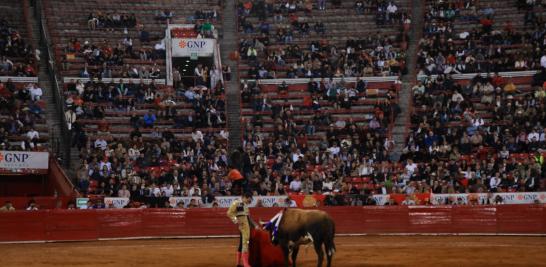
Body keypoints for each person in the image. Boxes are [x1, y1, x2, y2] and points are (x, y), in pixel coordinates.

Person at [227, 193, 253, 267]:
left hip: (246, 227)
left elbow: (248, 218)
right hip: (243, 228)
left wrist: (254, 226)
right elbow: (229, 213)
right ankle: (245, 264)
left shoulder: (245, 206)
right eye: (249, 199)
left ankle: (238, 263)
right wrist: (235, 220)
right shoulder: (237, 203)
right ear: (245, 197)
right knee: (245, 243)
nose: (250, 201)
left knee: (242, 244)